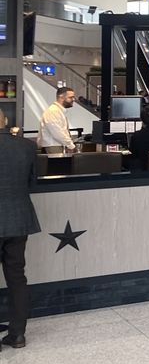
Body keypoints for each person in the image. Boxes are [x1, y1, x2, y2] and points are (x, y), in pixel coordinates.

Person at [0, 109, 39, 349]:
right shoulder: (26, 146)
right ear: (5, 121)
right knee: (17, 276)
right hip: (18, 218)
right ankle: (17, 334)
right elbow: (32, 181)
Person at [38, 86, 77, 153]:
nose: (73, 99)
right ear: (61, 97)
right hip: (53, 146)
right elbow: (57, 132)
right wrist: (70, 145)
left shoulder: (58, 111)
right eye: (70, 97)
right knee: (57, 163)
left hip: (56, 145)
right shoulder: (53, 111)